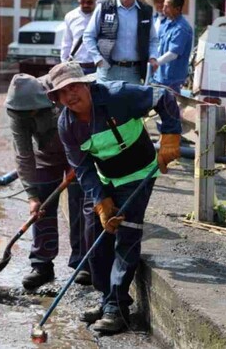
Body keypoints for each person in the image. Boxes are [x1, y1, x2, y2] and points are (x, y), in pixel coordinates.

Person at [46, 62, 181, 333]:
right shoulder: (66, 125)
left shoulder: (118, 95)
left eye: (74, 86)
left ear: (87, 85)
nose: (70, 95)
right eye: (63, 92)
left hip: (137, 173)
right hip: (105, 177)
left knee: (126, 236)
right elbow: (82, 167)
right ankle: (107, 297)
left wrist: (170, 136)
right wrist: (100, 201)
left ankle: (117, 309)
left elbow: (164, 97)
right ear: (57, 99)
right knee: (95, 238)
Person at [4, 74, 92, 289]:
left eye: (33, 111)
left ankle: (83, 262)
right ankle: (42, 264)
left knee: (81, 205)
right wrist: (31, 196)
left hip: (77, 151)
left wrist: (80, 161)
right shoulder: (16, 112)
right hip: (45, 156)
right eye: (26, 113)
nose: (31, 115)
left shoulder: (58, 94)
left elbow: (83, 124)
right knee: (42, 208)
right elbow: (23, 154)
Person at [83, 0, 159, 84]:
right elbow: (88, 36)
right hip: (107, 72)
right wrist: (97, 59)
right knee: (105, 102)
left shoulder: (145, 11)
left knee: (131, 102)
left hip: (135, 73)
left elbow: (153, 39)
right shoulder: (104, 8)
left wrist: (153, 57)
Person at [152, 0, 194, 94]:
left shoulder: (182, 28)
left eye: (167, 6)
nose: (163, 9)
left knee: (168, 108)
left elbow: (173, 54)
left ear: (177, 9)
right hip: (158, 77)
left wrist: (155, 63)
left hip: (171, 81)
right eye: (164, 5)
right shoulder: (166, 23)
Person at [60, 0, 99, 74]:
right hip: (76, 68)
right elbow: (67, 42)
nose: (85, 5)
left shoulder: (101, 15)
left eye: (89, 2)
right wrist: (64, 63)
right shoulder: (70, 16)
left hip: (97, 68)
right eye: (82, 2)